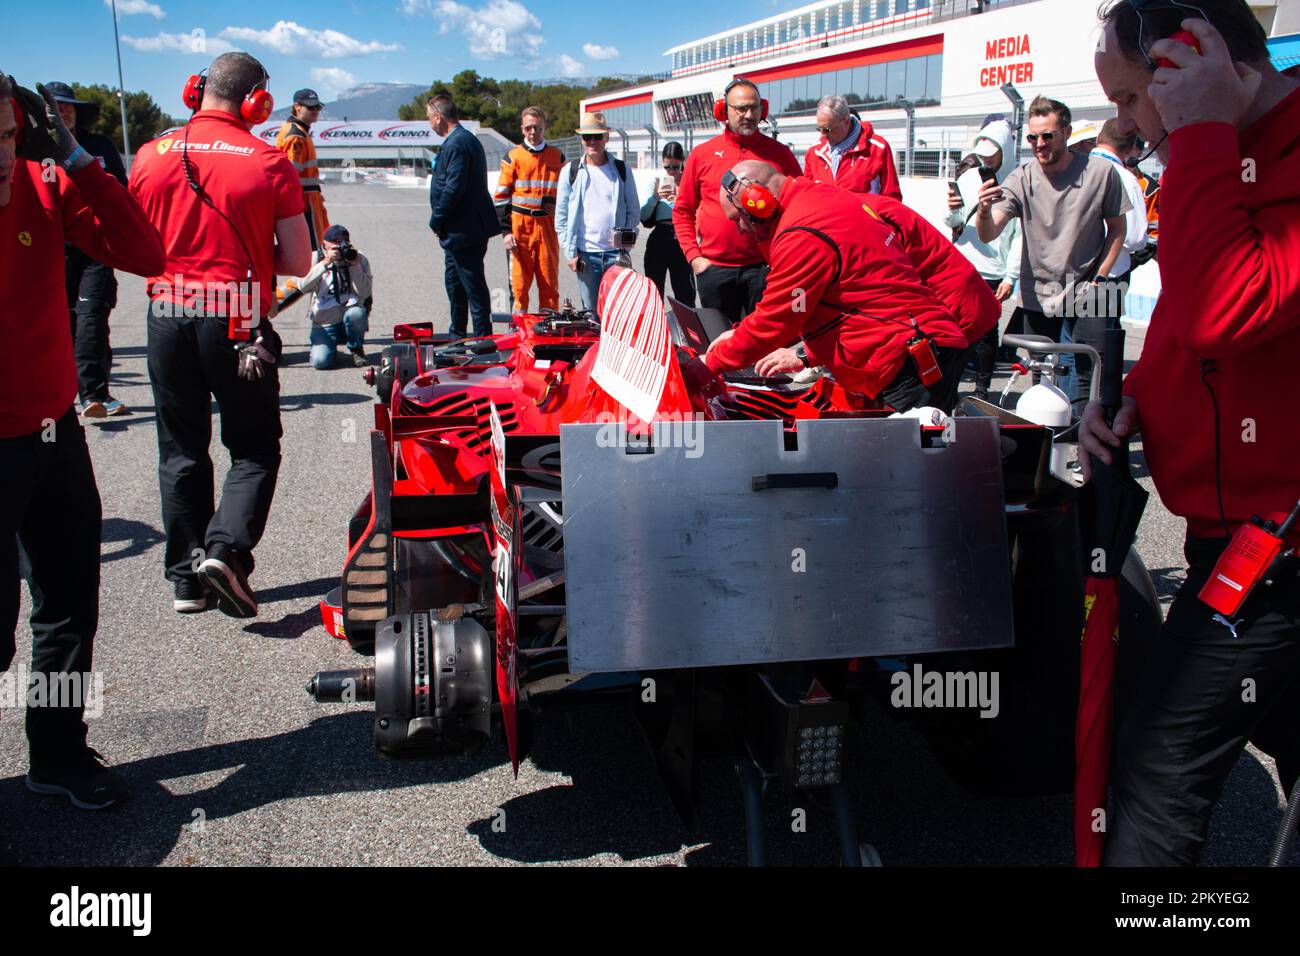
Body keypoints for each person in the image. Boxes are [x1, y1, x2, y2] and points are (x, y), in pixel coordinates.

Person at [1084, 0, 1300, 867]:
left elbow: (1224, 308)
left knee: (1157, 772)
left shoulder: (1220, 149)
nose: (1131, 128)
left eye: (1136, 98)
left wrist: (1202, 129)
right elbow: (1189, 332)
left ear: (1192, 61)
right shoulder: (1221, 158)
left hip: (1275, 546)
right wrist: (1141, 397)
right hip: (1233, 535)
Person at [1, 73, 165, 808]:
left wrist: (75, 156)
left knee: (68, 603)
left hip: (53, 435)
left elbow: (145, 252)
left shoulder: (46, 185)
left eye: (7, 137)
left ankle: (58, 753)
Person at [129, 52, 311, 618]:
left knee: (181, 449)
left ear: (195, 91)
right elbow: (298, 261)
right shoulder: (268, 162)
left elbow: (133, 247)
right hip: (235, 315)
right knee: (253, 446)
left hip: (165, 312)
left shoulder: (149, 155)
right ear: (256, 101)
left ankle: (186, 580)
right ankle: (226, 551)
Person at [702, 161, 968, 414]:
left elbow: (776, 321)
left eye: (739, 218)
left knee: (912, 457)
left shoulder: (800, 232)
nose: (740, 229)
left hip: (906, 360)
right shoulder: (818, 199)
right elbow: (841, 300)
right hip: (910, 349)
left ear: (758, 202)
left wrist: (708, 365)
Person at [975, 95, 1130, 400]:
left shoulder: (1100, 173)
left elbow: (1118, 229)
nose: (1039, 144)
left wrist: (1101, 276)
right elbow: (989, 233)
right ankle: (1048, 441)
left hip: (1091, 288)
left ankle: (1083, 438)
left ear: (1066, 132)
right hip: (1039, 291)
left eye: (1047, 136)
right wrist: (982, 209)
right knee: (1042, 378)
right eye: (1033, 137)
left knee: (1089, 379)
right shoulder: (1022, 177)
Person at [672, 78, 802, 323]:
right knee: (720, 346)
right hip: (714, 271)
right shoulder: (702, 155)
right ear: (724, 111)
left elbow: (800, 207)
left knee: (765, 347)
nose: (749, 114)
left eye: (754, 108)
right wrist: (695, 258)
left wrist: (785, 260)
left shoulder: (780, 155)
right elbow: (682, 211)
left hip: (765, 270)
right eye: (741, 108)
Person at [47, 81, 130, 419]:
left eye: (68, 106)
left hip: (96, 246)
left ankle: (94, 394)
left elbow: (121, 190)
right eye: (56, 107)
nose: (63, 111)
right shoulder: (33, 148)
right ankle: (62, 394)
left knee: (92, 317)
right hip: (52, 249)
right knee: (61, 322)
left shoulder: (100, 145)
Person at [944, 119, 1022, 400]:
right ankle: (951, 385)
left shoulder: (1017, 181)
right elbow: (955, 222)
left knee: (987, 332)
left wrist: (1011, 277)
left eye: (993, 153)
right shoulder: (968, 177)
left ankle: (982, 389)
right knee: (956, 327)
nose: (987, 159)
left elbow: (1019, 236)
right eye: (983, 153)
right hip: (964, 262)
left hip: (994, 269)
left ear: (1006, 150)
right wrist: (952, 209)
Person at [427, 93, 497, 337]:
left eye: (429, 119)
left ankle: (482, 341)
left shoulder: (458, 143)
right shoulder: (462, 140)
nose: (430, 124)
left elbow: (453, 187)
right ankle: (457, 334)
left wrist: (437, 219)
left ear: (438, 117)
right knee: (455, 286)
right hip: (457, 231)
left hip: (463, 230)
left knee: (473, 287)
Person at [555, 111, 640, 311]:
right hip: (586, 256)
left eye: (597, 136)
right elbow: (561, 217)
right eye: (587, 137)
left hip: (615, 255)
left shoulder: (620, 169)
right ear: (582, 140)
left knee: (617, 313)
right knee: (591, 315)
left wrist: (624, 247)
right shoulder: (571, 170)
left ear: (606, 138)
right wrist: (570, 252)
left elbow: (633, 211)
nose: (592, 141)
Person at [493, 106, 564, 313]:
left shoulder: (557, 157)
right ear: (522, 129)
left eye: (538, 128)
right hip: (520, 229)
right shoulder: (513, 157)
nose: (533, 133)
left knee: (549, 284)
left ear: (545, 128)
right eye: (529, 128)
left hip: (547, 228)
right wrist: (506, 232)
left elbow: (567, 195)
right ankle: (517, 333)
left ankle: (548, 336)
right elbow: (500, 198)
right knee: (519, 286)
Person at [295, 224, 373, 369]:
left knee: (356, 314)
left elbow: (365, 293)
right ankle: (329, 347)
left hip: (349, 312)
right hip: (324, 320)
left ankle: (356, 347)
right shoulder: (315, 258)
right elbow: (302, 286)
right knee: (320, 362)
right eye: (335, 245)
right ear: (324, 244)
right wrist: (325, 263)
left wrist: (354, 266)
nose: (339, 249)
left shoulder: (358, 257)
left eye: (342, 243)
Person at [803, 95, 902, 200]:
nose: (823, 135)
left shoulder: (877, 148)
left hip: (864, 216)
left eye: (827, 129)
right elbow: (807, 197)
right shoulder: (814, 152)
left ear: (846, 121)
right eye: (820, 129)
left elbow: (892, 199)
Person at [640, 141, 694, 307]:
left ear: (682, 162)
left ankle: (687, 330)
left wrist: (680, 201)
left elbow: (698, 211)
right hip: (660, 237)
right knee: (654, 290)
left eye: (675, 167)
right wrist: (655, 198)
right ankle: (655, 328)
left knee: (685, 290)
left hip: (682, 237)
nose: (671, 172)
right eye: (667, 167)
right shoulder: (656, 183)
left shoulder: (689, 183)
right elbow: (643, 216)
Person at [275, 88, 329, 251]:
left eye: (317, 107)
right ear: (297, 107)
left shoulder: (300, 131)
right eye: (310, 107)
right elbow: (291, 175)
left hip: (309, 199)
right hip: (304, 202)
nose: (315, 111)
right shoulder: (296, 136)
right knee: (312, 254)